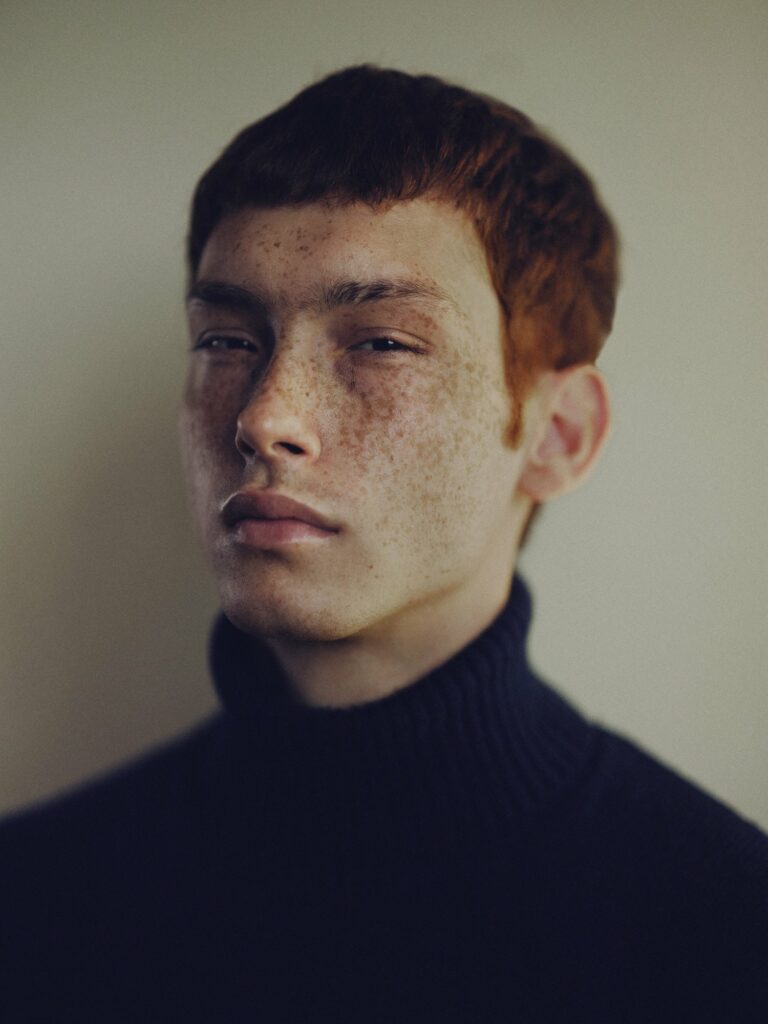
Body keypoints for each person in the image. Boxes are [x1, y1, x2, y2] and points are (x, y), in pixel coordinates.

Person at [1, 65, 766, 1023]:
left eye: (381, 344)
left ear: (556, 434)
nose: (265, 418)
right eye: (228, 340)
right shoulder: (29, 906)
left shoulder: (727, 937)